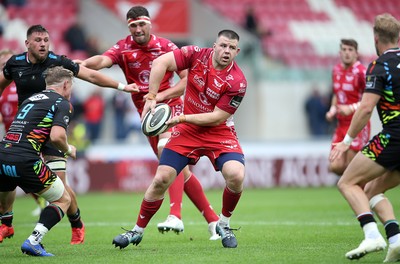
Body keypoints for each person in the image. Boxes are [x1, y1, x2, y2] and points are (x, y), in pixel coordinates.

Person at [80, 6, 220, 239]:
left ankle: (175, 215)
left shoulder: (166, 47)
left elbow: (187, 81)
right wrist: (80, 64)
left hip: (172, 107)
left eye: (141, 24)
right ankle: (214, 222)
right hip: (148, 115)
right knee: (178, 172)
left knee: (169, 151)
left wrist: (160, 96)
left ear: (150, 23)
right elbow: (102, 61)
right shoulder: (123, 48)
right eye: (133, 25)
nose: (137, 29)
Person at [0, 24, 138, 245]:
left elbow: (91, 76)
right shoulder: (15, 64)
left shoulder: (58, 62)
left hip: (52, 128)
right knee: (7, 180)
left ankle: (76, 223)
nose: (43, 44)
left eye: (46, 39)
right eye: (38, 40)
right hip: (26, 131)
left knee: (59, 185)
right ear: (27, 44)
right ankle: (6, 224)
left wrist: (122, 86)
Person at [111, 29, 247, 249]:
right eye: (223, 45)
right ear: (214, 45)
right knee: (161, 179)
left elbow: (217, 117)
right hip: (188, 132)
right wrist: (153, 96)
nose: (226, 51)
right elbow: (160, 63)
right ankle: (136, 231)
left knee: (236, 175)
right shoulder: (195, 54)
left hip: (218, 132)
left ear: (237, 51)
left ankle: (224, 224)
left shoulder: (238, 81)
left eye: (231, 48)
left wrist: (181, 117)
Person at [330, 13, 400, 262]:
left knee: (347, 182)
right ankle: (396, 239)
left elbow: (366, 107)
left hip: (394, 136)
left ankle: (372, 235)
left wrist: (346, 140)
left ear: (376, 38)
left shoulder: (379, 65)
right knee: (372, 190)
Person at [0, 66, 76, 256]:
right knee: (63, 199)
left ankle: (6, 222)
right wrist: (68, 149)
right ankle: (34, 241)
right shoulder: (61, 102)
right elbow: (57, 136)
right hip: (25, 159)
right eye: (71, 86)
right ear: (66, 84)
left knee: (7, 191)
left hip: (3, 154)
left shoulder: (30, 99)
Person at [326, 39, 370, 176]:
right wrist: (332, 110)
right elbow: (336, 94)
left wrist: (351, 108)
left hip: (357, 124)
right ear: (340, 52)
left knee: (352, 168)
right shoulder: (336, 70)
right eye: (344, 50)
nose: (347, 53)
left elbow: (370, 99)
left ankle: (365, 188)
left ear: (356, 54)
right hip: (341, 125)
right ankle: (367, 179)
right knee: (335, 166)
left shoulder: (361, 72)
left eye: (350, 50)